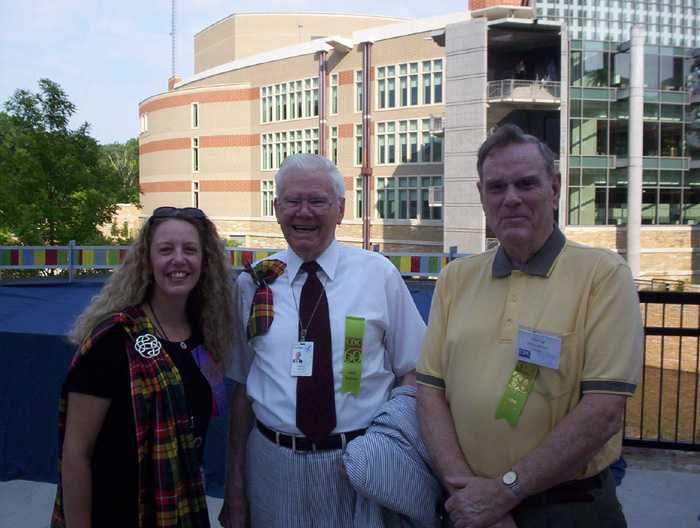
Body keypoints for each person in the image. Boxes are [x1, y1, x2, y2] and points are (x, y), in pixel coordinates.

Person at [416, 124, 643, 528]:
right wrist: (467, 493)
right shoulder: (457, 278)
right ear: (482, 195)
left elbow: (604, 412)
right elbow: (430, 391)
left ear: (554, 188)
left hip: (567, 508)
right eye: (496, 187)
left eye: (526, 184)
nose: (511, 199)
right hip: (469, 504)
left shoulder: (603, 275)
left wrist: (504, 492)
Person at [219, 154, 425, 528]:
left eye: (317, 201)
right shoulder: (253, 284)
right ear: (277, 208)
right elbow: (242, 391)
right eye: (293, 202)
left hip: (358, 465)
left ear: (341, 209)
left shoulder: (377, 274)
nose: (304, 213)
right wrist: (235, 488)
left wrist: (387, 445)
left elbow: (414, 372)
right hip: (272, 467)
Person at [51, 206, 236, 528]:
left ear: (205, 261)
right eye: (166, 250)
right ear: (147, 261)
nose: (179, 259)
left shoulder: (203, 334)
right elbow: (76, 453)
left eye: (190, 250)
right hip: (117, 512)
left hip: (179, 507)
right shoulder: (113, 339)